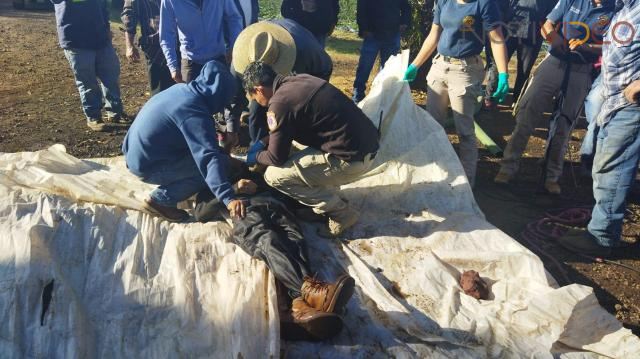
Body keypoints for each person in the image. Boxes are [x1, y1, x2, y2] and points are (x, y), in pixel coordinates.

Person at [193, 163, 355, 341]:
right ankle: (309, 292)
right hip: (246, 210)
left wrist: (316, 211)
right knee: (268, 240)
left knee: (296, 243)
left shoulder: (255, 172)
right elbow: (201, 213)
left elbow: (285, 190)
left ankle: (298, 308)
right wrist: (232, 190)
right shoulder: (211, 182)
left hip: (279, 208)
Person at [242, 62, 380, 237]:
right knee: (293, 150)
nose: (259, 103)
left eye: (255, 98)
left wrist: (255, 157)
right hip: (366, 146)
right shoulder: (299, 79)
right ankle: (323, 199)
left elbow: (276, 157)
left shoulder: (278, 104)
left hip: (352, 160)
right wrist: (265, 140)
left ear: (259, 89)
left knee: (274, 176)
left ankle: (341, 213)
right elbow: (290, 125)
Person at [494, 0, 615, 194]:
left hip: (581, 70)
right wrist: (553, 38)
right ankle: (507, 167)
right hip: (554, 62)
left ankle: (551, 176)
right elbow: (547, 24)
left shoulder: (614, 10)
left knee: (564, 125)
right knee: (527, 114)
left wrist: (588, 47)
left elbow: (613, 46)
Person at [559, 0, 640, 256]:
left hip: (631, 105)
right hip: (615, 100)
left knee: (611, 167)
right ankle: (602, 223)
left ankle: (602, 237)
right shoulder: (627, 8)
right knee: (605, 164)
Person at [122, 61, 246, 222]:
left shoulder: (181, 89)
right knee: (213, 169)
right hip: (148, 166)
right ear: (219, 95)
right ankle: (161, 201)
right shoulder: (193, 113)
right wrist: (228, 198)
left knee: (219, 160)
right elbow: (208, 160)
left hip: (134, 152)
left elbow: (201, 141)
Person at [403, 0, 510, 187]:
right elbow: (433, 36)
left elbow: (496, 39)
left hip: (465, 70)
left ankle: (466, 183)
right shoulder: (444, 1)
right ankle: (434, 173)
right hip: (439, 66)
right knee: (433, 126)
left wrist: (503, 74)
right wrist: (415, 65)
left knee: (465, 131)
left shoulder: (483, 4)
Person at [231, 19, 334, 144]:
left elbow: (325, 67)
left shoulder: (305, 51)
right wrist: (232, 129)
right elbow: (235, 97)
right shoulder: (243, 56)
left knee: (298, 114)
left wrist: (310, 100)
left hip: (307, 71)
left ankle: (290, 142)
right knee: (257, 108)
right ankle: (259, 145)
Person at [52, 0, 126, 131]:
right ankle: (93, 117)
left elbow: (102, 5)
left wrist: (107, 27)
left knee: (111, 75)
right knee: (88, 82)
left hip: (100, 36)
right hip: (75, 39)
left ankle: (115, 112)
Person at [483, 0, 558, 108]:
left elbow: (553, 11)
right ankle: (489, 97)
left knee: (524, 69)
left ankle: (517, 100)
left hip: (534, 32)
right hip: (508, 27)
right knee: (498, 64)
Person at [159, 0, 243, 83]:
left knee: (225, 95)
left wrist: (234, 46)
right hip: (191, 62)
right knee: (191, 96)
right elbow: (166, 35)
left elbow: (234, 17)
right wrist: (173, 67)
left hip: (219, 58)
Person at [351, 0, 411, 103]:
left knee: (388, 69)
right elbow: (361, 7)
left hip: (392, 33)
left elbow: (406, 7)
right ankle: (357, 95)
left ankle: (382, 96)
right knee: (365, 66)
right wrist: (363, 28)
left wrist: (404, 23)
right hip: (372, 33)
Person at [121, 0, 174, 96]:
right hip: (155, 49)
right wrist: (129, 46)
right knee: (159, 92)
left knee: (181, 88)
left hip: (180, 45)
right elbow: (129, 17)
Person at [579, 71, 605, 176]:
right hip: (604, 79)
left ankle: (590, 161)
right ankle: (588, 161)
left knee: (596, 123)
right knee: (595, 123)